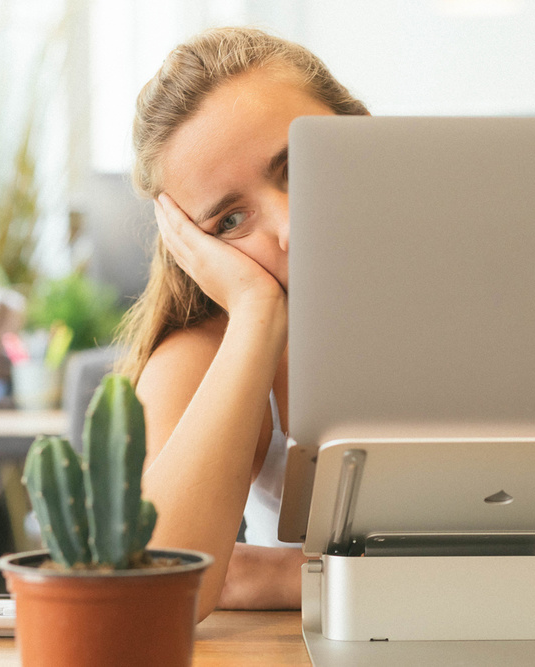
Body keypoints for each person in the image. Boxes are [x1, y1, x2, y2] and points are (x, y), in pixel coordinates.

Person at [115, 27, 369, 622]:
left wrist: (268, 574)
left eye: (298, 168)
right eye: (230, 221)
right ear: (192, 249)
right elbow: (152, 587)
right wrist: (255, 314)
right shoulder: (203, 354)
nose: (291, 229)